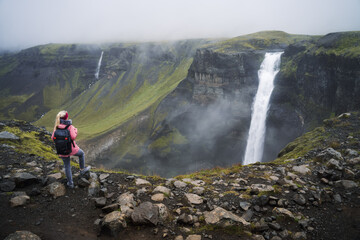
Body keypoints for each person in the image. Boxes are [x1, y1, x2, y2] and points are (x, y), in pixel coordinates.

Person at [51, 110, 90, 188]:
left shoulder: (56, 126)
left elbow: (53, 138)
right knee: (81, 154)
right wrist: (76, 130)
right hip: (71, 149)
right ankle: (82, 170)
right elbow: (73, 137)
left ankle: (70, 183)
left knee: (67, 166)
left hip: (61, 150)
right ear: (66, 117)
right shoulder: (69, 126)